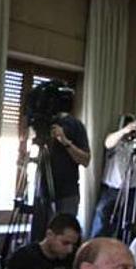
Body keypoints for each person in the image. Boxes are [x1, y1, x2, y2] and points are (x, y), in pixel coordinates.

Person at [89, 115, 136, 238]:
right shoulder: (116, 140)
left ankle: (123, 246)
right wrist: (125, 131)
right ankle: (95, 245)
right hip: (112, 189)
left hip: (133, 189)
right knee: (103, 221)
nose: (132, 132)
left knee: (128, 224)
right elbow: (108, 143)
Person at [44, 82, 90, 216]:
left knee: (64, 234)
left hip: (67, 194)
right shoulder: (45, 124)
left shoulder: (76, 125)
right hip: (42, 191)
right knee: (41, 235)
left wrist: (64, 141)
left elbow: (86, 160)